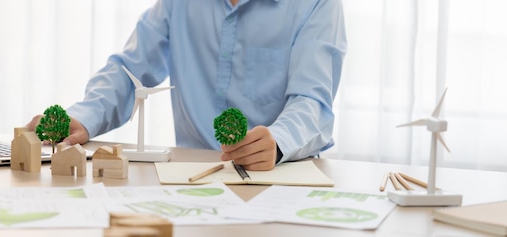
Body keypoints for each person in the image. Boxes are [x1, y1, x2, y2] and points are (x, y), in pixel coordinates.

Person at [27, 0, 347, 171]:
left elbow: (313, 101)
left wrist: (279, 141)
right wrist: (84, 117)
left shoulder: (317, 3)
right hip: (189, 180)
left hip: (280, 176)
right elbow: (130, 69)